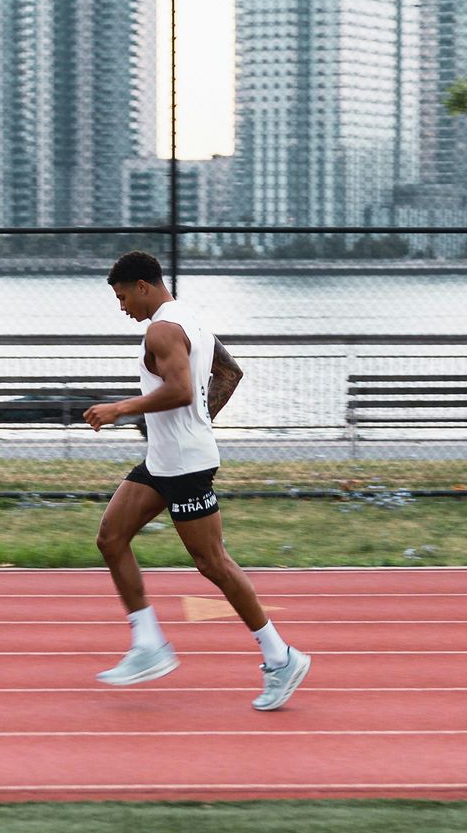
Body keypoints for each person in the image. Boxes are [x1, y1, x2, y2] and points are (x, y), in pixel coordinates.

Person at [84, 250, 310, 711]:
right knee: (111, 537)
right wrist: (199, 425)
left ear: (144, 286)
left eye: (124, 297)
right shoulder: (192, 321)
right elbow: (229, 372)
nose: (123, 308)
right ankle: (148, 645)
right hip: (164, 460)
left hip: (184, 466)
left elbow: (183, 389)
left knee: (213, 563)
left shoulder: (163, 328)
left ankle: (280, 656)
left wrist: (119, 408)